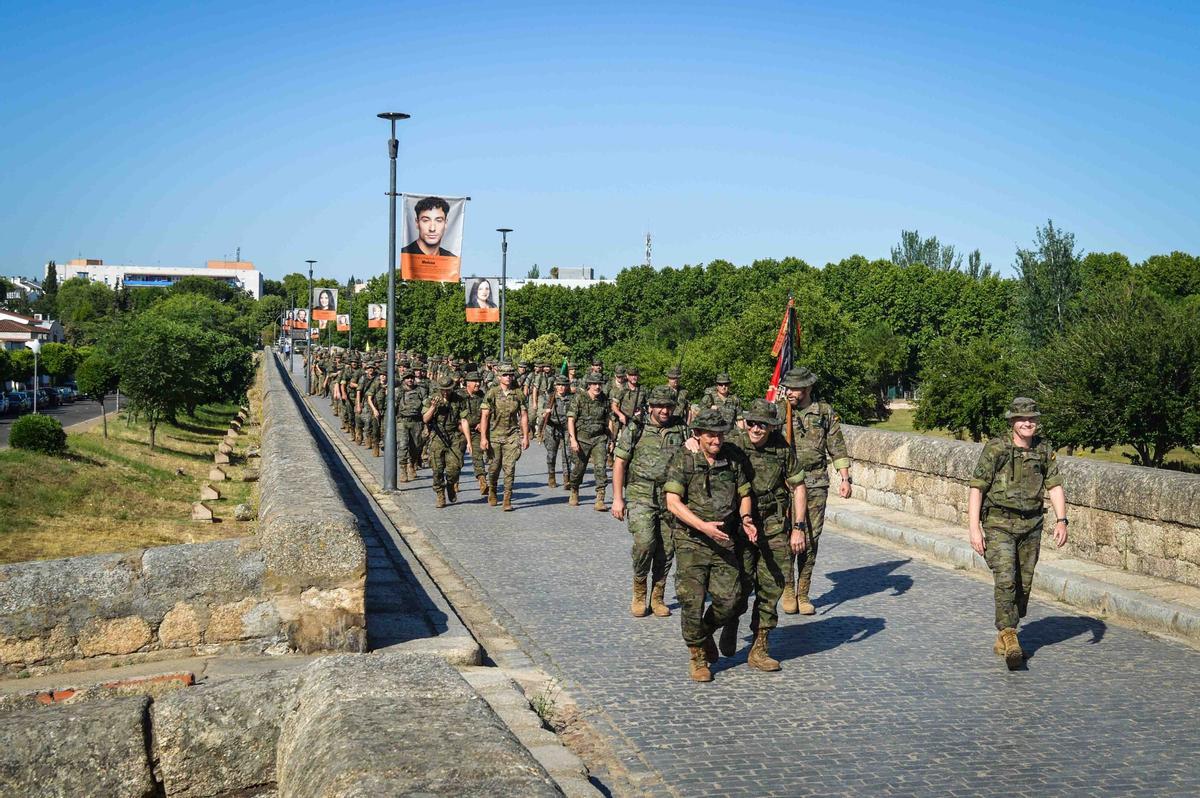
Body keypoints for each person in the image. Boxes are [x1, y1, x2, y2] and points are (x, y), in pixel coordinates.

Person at [968, 397, 1068, 670]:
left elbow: (1055, 485)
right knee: (1005, 576)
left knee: (1024, 582)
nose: (1028, 423)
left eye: (1032, 418)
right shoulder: (996, 449)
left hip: (1031, 525)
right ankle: (1010, 634)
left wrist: (1062, 521)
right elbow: (977, 487)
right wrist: (974, 527)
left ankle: (1006, 632)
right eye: (1022, 419)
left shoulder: (1044, 449)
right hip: (999, 523)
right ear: (1012, 421)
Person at [664, 410, 757, 682]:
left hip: (724, 539)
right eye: (710, 435)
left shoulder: (733, 458)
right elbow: (673, 502)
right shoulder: (684, 458)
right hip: (691, 540)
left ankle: (704, 632)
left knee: (732, 600)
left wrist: (746, 518)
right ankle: (697, 656)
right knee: (691, 601)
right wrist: (702, 526)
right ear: (697, 435)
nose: (716, 440)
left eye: (720, 434)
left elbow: (744, 494)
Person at [718, 399, 808, 671]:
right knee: (739, 585)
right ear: (745, 423)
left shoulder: (781, 448)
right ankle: (732, 621)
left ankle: (759, 647)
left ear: (771, 426)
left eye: (763, 425)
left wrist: (798, 527)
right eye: (752, 423)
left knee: (771, 586)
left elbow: (799, 486)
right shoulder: (732, 443)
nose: (756, 429)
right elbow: (703, 447)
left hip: (772, 524)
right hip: (739, 525)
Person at [775, 367, 852, 615]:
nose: (790, 393)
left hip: (815, 481)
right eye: (788, 388)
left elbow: (836, 445)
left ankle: (803, 592)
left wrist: (845, 477)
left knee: (811, 538)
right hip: (785, 482)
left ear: (807, 389)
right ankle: (788, 589)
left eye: (795, 389)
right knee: (787, 536)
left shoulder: (824, 412)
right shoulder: (779, 411)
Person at [612, 385, 687, 618]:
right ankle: (639, 589)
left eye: (669, 406)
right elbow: (620, 463)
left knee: (667, 547)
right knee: (645, 543)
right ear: (651, 406)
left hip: (671, 497)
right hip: (640, 493)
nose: (665, 411)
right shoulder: (637, 427)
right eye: (660, 406)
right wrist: (617, 498)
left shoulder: (680, 429)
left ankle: (658, 595)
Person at [480, 363, 530, 511]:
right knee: (494, 468)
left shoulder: (518, 393)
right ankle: (493, 490)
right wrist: (483, 438)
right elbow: (485, 416)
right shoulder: (492, 393)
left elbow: (524, 416)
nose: (508, 377)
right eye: (505, 375)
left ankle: (507, 499)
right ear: (499, 376)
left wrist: (525, 436)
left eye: (510, 375)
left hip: (512, 436)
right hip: (494, 436)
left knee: (510, 468)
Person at [567, 373, 611, 511]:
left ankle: (600, 498)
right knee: (579, 469)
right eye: (595, 384)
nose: (598, 387)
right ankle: (574, 489)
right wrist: (573, 439)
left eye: (600, 384)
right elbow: (571, 420)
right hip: (582, 439)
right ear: (589, 385)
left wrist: (612, 439)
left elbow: (609, 420)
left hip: (599, 438)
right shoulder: (579, 398)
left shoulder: (604, 399)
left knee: (600, 467)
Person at [423, 375, 467, 508]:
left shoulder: (458, 400)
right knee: (437, 469)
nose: (446, 392)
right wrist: (433, 407)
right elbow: (425, 419)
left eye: (448, 389)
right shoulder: (432, 398)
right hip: (438, 436)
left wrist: (468, 440)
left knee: (455, 467)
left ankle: (451, 484)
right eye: (443, 389)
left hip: (454, 436)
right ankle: (440, 494)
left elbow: (463, 420)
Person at [460, 371, 490, 496]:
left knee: (477, 455)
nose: (478, 384)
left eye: (479, 381)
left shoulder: (481, 395)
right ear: (467, 383)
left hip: (477, 430)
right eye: (475, 381)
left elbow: (486, 411)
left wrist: (481, 424)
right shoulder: (459, 396)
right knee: (457, 458)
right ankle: (454, 481)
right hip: (460, 431)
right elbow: (456, 414)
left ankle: (482, 480)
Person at [540, 375, 572, 489]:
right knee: (551, 454)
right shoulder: (550, 397)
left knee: (567, 454)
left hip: (566, 428)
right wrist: (546, 412)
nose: (561, 387)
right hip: (552, 428)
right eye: (559, 385)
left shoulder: (572, 398)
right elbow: (543, 413)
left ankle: (567, 478)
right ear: (555, 386)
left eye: (563, 385)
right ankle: (551, 476)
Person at [395, 370, 426, 482]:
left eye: (411, 378)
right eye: (407, 378)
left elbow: (425, 405)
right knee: (403, 446)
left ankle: (411, 464)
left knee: (416, 446)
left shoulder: (420, 390)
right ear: (404, 379)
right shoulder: (398, 391)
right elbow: (393, 407)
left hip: (417, 422)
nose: (410, 380)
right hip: (402, 421)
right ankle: (403, 470)